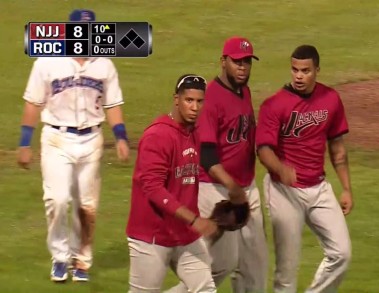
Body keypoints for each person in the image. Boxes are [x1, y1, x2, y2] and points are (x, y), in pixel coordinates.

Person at [16, 9, 130, 283]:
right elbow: (33, 102)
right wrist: (24, 143)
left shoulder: (104, 64)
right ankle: (59, 256)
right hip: (57, 138)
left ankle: (81, 260)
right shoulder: (47, 62)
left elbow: (112, 104)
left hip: (91, 140)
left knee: (86, 204)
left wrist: (121, 136)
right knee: (57, 199)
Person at [169, 36, 268, 293]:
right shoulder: (210, 98)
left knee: (249, 265)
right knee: (211, 265)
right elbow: (207, 155)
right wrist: (233, 188)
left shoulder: (243, 91)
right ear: (223, 62)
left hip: (244, 188)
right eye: (237, 61)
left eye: (247, 61)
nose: (243, 67)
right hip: (214, 190)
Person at [256, 45, 354, 293]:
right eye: (295, 69)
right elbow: (263, 150)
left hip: (319, 187)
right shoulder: (274, 104)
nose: (299, 76)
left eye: (305, 71)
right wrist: (281, 168)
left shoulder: (330, 99)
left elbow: (337, 149)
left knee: (341, 253)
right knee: (286, 271)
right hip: (283, 190)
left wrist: (346, 188)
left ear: (317, 71)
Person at [126, 74, 218, 293]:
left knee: (205, 288)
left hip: (184, 234)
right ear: (176, 99)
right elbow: (154, 188)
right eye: (189, 100)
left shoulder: (193, 132)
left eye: (199, 101)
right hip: (151, 236)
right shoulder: (157, 136)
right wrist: (194, 219)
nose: (195, 107)